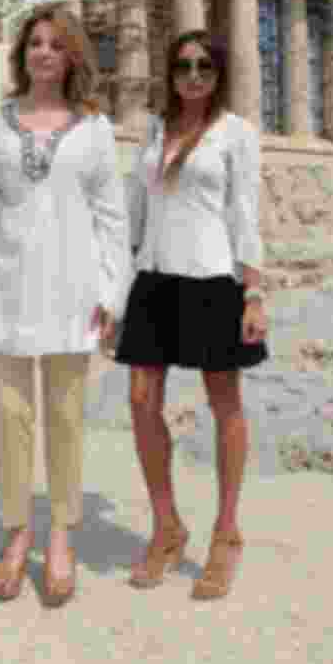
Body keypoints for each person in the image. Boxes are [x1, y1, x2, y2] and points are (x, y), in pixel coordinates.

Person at [0, 6, 128, 607]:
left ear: (72, 56)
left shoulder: (95, 129)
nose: (43, 53)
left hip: (74, 291)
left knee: (65, 419)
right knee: (10, 418)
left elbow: (112, 218)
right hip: (5, 285)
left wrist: (113, 292)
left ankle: (61, 534)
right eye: (35, 42)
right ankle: (16, 533)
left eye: (56, 45)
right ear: (21, 53)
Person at [114, 31, 267, 600]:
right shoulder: (155, 131)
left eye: (205, 65)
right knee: (140, 401)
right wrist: (115, 286)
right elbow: (134, 210)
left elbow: (245, 214)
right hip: (154, 276)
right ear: (171, 72)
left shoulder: (236, 134)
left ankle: (226, 534)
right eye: (183, 65)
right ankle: (167, 527)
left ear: (219, 73)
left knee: (224, 404)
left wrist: (254, 293)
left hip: (212, 278)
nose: (193, 75)